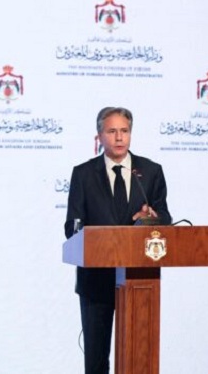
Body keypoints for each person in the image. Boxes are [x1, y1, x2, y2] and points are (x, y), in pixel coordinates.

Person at [64, 106, 171, 374]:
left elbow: (165, 218)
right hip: (95, 281)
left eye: (124, 131)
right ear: (100, 136)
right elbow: (71, 226)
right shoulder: (83, 174)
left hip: (139, 280)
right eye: (112, 131)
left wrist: (152, 217)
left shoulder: (151, 172)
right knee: (96, 360)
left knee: (138, 355)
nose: (119, 137)